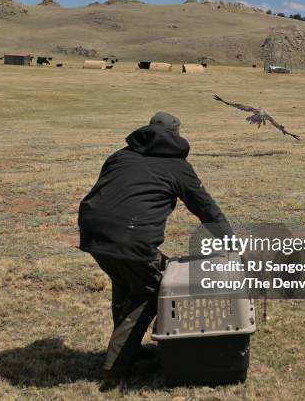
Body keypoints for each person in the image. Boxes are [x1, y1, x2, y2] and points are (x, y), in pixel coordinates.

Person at [78, 112, 233, 380]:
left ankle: (129, 350)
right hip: (131, 236)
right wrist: (233, 245)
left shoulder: (120, 155)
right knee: (151, 289)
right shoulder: (178, 167)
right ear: (176, 135)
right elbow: (208, 211)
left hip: (93, 231)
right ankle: (117, 366)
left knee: (126, 281)